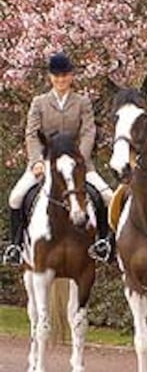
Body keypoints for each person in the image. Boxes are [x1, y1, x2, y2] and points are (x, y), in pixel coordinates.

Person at [3, 52, 114, 265]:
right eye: (56, 76)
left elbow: (88, 132)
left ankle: (103, 243)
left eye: (64, 75)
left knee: (107, 196)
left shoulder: (82, 103)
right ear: (50, 77)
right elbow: (32, 134)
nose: (61, 80)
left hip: (78, 164)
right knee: (15, 198)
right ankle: (16, 246)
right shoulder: (39, 103)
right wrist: (36, 161)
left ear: (71, 76)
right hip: (45, 163)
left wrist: (78, 159)